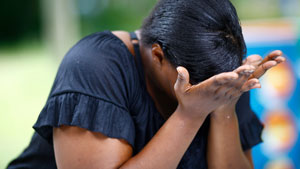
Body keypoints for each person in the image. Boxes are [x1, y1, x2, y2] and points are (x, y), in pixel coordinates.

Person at [7, 0, 285, 168]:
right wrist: (190, 114)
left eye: (219, 87)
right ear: (157, 56)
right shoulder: (97, 65)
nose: (212, 91)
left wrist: (225, 107)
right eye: (202, 86)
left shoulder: (226, 76)